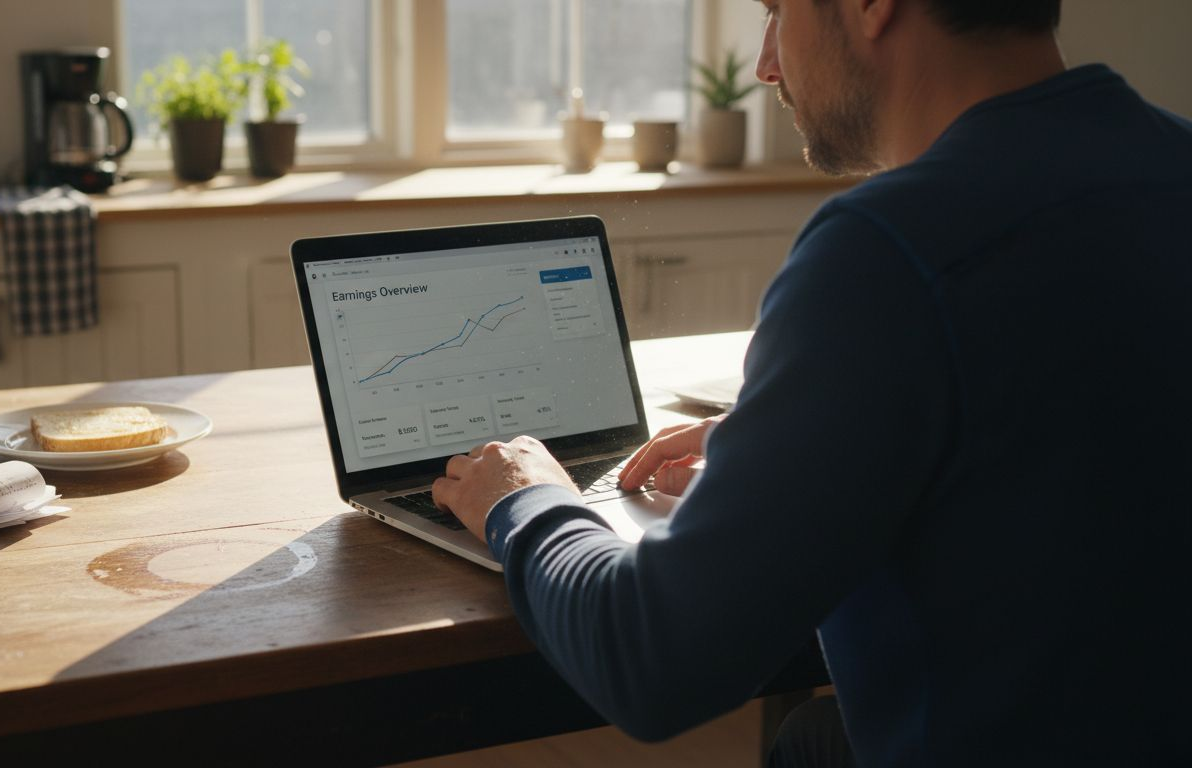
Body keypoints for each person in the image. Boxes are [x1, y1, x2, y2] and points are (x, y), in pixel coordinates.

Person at [431, 0, 1192, 764]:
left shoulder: (886, 251)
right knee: (809, 741)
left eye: (776, 11)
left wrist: (524, 498)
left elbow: (650, 658)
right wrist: (801, 441)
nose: (767, 64)